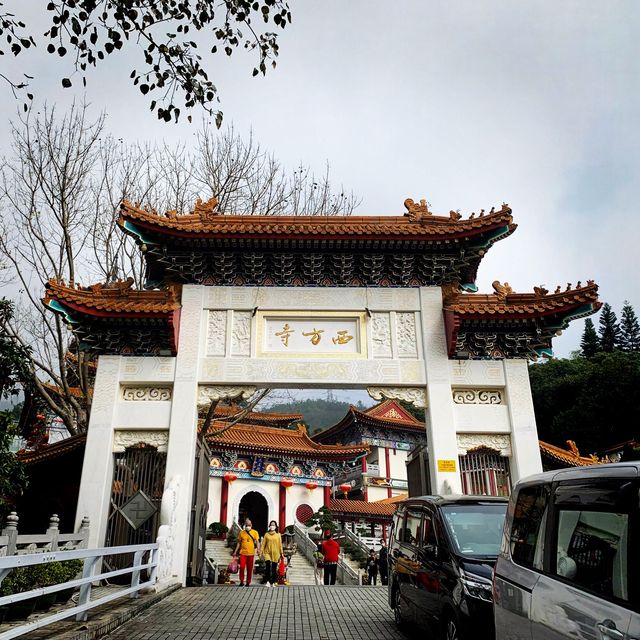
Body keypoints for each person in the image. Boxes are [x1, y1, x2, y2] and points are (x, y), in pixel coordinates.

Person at [232, 518, 261, 586]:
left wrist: (258, 550)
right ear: (245, 525)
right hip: (243, 553)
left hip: (251, 553)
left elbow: (257, 542)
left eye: (249, 525)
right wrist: (235, 551)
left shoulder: (255, 532)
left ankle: (248, 582)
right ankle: (241, 581)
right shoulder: (241, 533)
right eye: (246, 525)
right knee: (242, 567)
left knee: (249, 568)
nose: (248, 526)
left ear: (251, 525)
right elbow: (239, 543)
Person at [261, 520, 284, 587]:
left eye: (273, 525)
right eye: (271, 525)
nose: (272, 526)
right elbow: (263, 544)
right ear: (269, 526)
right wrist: (261, 552)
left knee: (274, 568)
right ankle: (268, 581)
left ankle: (273, 582)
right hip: (267, 553)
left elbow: (280, 545)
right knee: (268, 567)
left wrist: (281, 553)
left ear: (276, 526)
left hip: (276, 553)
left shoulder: (278, 535)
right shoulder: (266, 534)